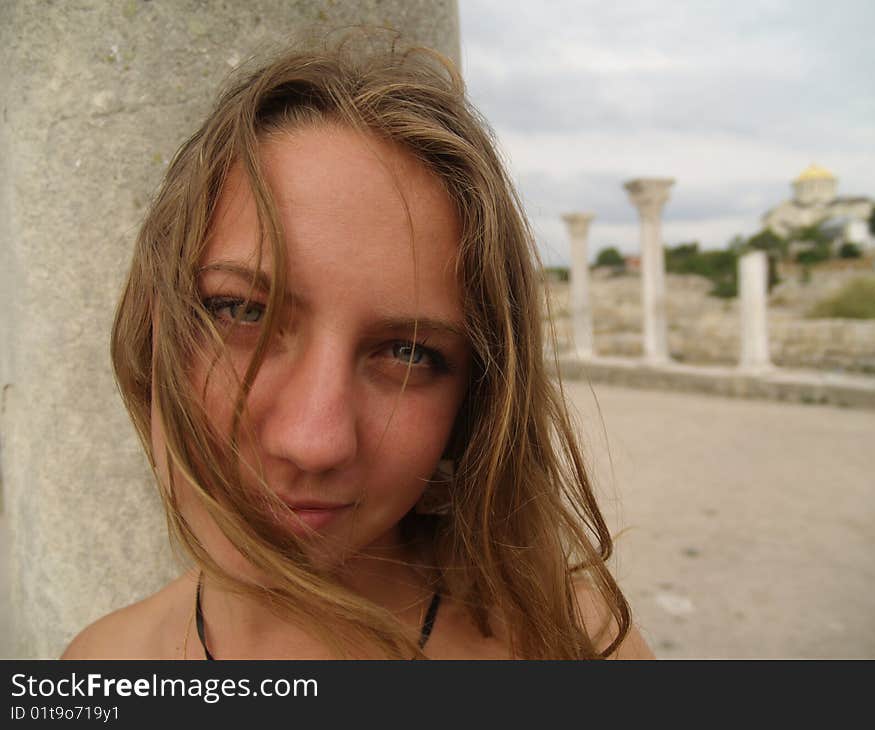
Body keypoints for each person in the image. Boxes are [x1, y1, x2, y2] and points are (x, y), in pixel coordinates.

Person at [61, 40, 653, 660]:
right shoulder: (100, 666)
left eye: (409, 353)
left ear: (471, 406)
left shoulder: (573, 649)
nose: (313, 442)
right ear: (152, 325)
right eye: (242, 312)